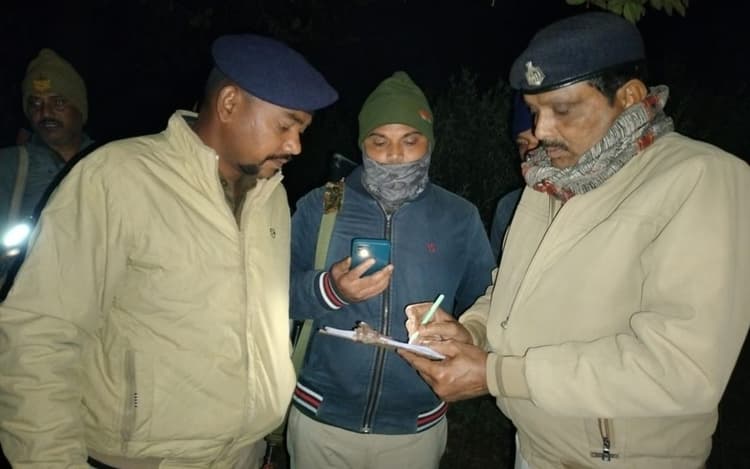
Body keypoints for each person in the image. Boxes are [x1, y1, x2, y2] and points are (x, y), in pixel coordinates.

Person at [399, 12, 750, 469]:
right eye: (535, 111)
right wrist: (473, 331)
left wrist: (497, 374)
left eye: (562, 109)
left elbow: (683, 369)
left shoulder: (702, 178)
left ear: (629, 96)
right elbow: (511, 289)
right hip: (533, 449)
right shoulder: (548, 181)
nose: (541, 131)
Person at [0, 33, 338, 468]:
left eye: (301, 131)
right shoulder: (119, 177)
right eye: (285, 126)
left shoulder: (270, 197)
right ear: (229, 103)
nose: (295, 145)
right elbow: (39, 334)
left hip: (243, 456)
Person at [287, 71, 495, 469]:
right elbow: (273, 294)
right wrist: (330, 289)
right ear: (362, 144)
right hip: (322, 419)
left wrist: (466, 331)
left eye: (410, 140)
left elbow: (489, 301)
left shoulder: (459, 216)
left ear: (430, 142)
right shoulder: (324, 204)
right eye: (379, 141)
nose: (395, 155)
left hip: (415, 427)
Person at [0, 48, 95, 286]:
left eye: (58, 102)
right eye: (35, 103)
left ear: (80, 109)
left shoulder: (109, 163)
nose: (45, 112)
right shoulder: (10, 165)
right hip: (26, 300)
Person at [489, 92, 539, 260]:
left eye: (540, 141)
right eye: (523, 143)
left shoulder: (593, 203)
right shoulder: (509, 208)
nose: (530, 152)